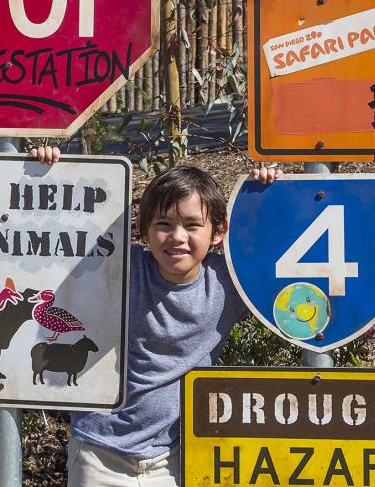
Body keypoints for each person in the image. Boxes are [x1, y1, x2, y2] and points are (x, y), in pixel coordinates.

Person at [28, 145, 277, 487]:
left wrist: (266, 196)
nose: (177, 237)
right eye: (163, 224)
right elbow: (60, 234)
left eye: (192, 225)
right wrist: (47, 172)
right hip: (100, 451)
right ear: (142, 230)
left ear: (218, 233)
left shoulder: (228, 284)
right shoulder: (122, 269)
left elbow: (281, 261)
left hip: (176, 456)